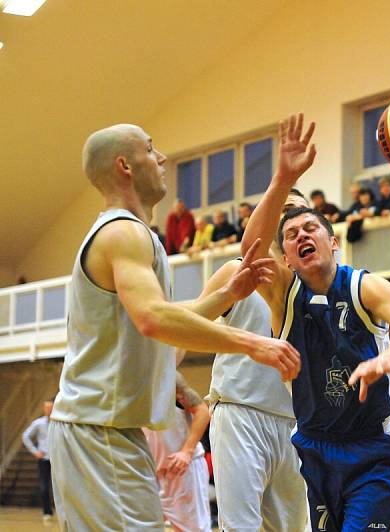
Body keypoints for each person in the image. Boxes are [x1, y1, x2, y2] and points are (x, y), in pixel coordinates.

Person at [47, 122, 300, 530]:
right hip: (96, 427)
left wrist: (226, 297)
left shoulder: (134, 233)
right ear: (125, 165)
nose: (162, 158)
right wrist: (252, 344)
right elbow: (153, 319)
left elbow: (162, 317)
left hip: (112, 430)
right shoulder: (122, 232)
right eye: (151, 149)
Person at [242, 113, 390, 531]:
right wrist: (281, 179)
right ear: (287, 258)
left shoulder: (365, 287)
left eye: (310, 227)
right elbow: (251, 252)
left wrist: (389, 359)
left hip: (371, 449)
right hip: (315, 448)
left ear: (333, 242)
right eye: (291, 235)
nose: (300, 236)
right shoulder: (282, 294)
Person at [204, 189, 310, 532]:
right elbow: (192, 327)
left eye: (302, 212)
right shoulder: (236, 270)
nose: (292, 217)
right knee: (240, 527)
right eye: (285, 209)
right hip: (240, 409)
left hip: (295, 421)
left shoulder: (317, 285)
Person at [143, 373, 212, 532]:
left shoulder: (167, 375)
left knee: (194, 530)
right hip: (150, 470)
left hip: (182, 467)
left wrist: (187, 451)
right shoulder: (125, 379)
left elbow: (202, 411)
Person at [22, 400, 54, 521]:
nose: (50, 410)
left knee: (60, 487)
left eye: (52, 408)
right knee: (44, 486)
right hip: (44, 459)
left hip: (57, 459)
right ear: (44, 410)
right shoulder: (38, 423)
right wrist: (35, 451)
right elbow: (25, 436)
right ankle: (47, 512)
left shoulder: (59, 424)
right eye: (47, 408)